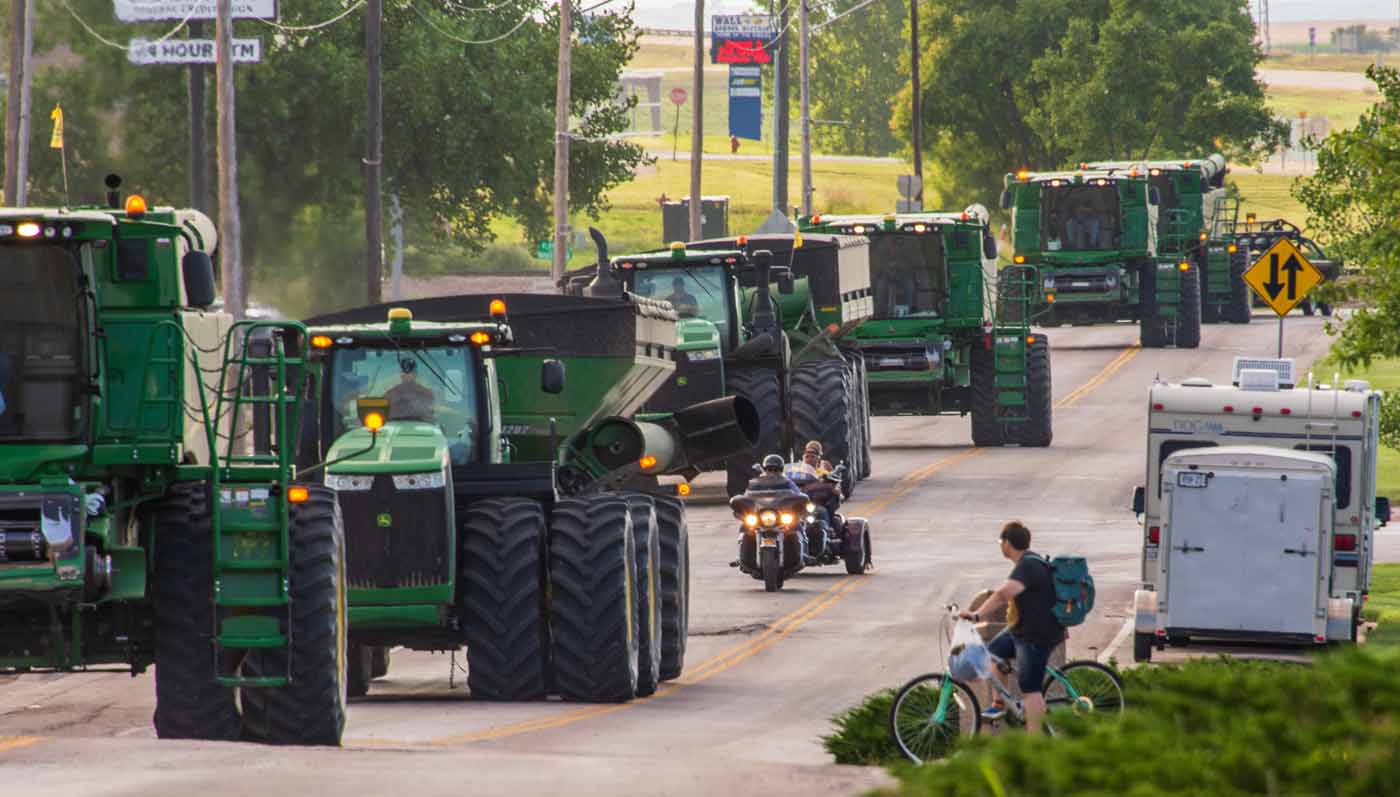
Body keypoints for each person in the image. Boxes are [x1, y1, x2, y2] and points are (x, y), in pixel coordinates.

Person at [958, 521, 1064, 734]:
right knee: (992, 654)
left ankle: (1034, 746)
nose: (1000, 545)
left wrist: (977, 615)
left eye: (1001, 541)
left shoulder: (1027, 566)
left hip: (1036, 635)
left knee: (1030, 690)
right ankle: (999, 704)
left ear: (1007, 543)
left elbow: (1002, 595)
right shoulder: (1027, 562)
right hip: (1021, 630)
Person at [384, 357, 435, 422]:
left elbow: (432, 413)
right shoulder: (390, 394)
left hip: (423, 427)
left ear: (415, 374)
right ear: (401, 374)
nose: (407, 375)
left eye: (410, 372)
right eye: (405, 372)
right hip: (394, 426)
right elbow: (383, 414)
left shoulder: (426, 394)